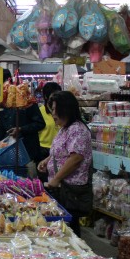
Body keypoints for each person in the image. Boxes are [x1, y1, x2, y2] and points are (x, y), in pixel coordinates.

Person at [0, 69, 45, 178]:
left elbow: (40, 123)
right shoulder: (3, 106)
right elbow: (1, 132)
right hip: (9, 156)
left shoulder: (26, 101)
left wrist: (21, 129)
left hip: (28, 156)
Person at [37, 91, 92, 236]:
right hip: (61, 187)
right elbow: (61, 151)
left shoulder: (77, 129)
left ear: (65, 109)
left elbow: (75, 158)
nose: (52, 114)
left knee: (69, 228)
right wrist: (47, 160)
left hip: (70, 189)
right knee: (61, 226)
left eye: (55, 109)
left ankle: (75, 255)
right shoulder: (65, 129)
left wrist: (56, 179)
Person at [37, 81, 62, 163]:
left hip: (60, 151)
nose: (57, 98)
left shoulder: (63, 112)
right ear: (46, 96)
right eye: (54, 95)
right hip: (43, 151)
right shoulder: (39, 112)